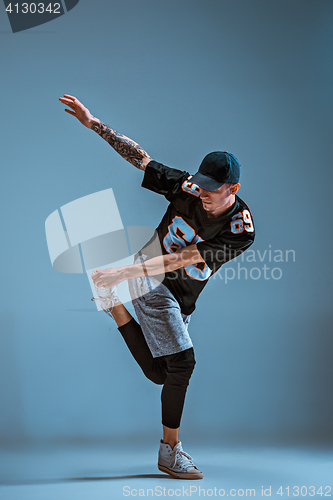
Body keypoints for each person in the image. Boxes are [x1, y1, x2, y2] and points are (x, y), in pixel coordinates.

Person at [59, 94, 255, 480]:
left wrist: (118, 280)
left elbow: (185, 259)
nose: (202, 192)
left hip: (178, 291)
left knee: (162, 373)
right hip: (149, 279)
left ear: (232, 188)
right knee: (183, 364)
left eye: (212, 189)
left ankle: (111, 301)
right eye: (200, 185)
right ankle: (170, 451)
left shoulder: (240, 230)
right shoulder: (187, 186)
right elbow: (142, 159)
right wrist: (96, 123)